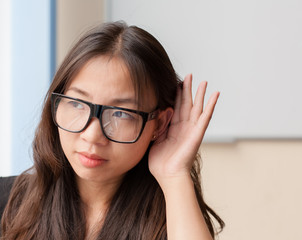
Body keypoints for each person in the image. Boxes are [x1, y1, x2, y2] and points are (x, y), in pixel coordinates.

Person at [0, 21, 224, 240]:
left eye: (120, 113)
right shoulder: (8, 202)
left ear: (159, 123)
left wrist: (174, 175)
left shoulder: (174, 219)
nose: (92, 135)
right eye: (77, 103)